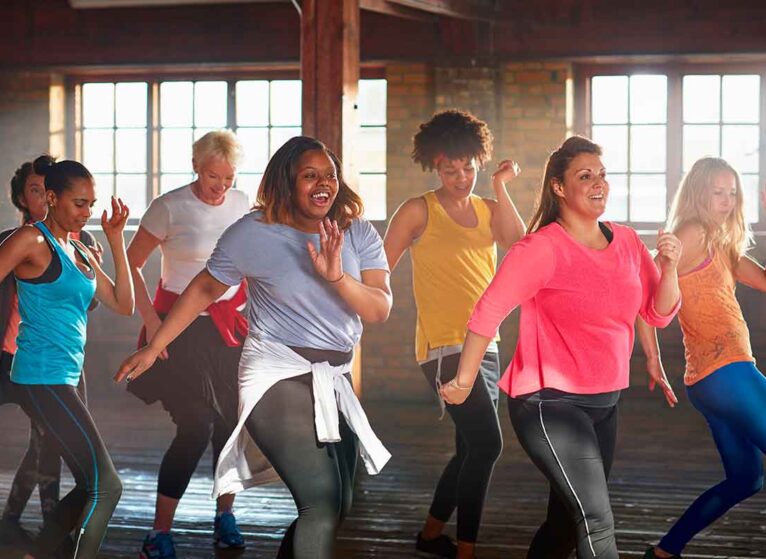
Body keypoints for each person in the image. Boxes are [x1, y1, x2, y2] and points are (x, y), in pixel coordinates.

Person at [115, 136, 392, 559]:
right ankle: (169, 528)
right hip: (275, 370)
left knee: (341, 503)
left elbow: (378, 309)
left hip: (332, 375)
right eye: (310, 175)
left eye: (330, 175)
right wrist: (154, 346)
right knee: (319, 501)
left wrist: (337, 277)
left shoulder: (357, 232)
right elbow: (206, 286)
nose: (323, 184)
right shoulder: (253, 232)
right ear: (286, 181)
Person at [441, 136, 681, 559]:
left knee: (565, 524)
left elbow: (657, 312)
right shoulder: (542, 248)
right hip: (547, 401)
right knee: (596, 520)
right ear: (558, 187)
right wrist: (463, 380)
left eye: (602, 175)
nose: (598, 184)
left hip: (604, 401)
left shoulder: (625, 242)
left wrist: (671, 267)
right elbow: (487, 312)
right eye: (585, 176)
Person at [383, 109, 525, 559]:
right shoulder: (417, 210)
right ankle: (466, 550)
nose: (460, 178)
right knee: (488, 445)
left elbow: (518, 244)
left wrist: (501, 187)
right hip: (443, 347)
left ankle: (429, 537)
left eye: (469, 168)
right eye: (449, 170)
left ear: (479, 162)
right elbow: (377, 273)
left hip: (487, 345)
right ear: (434, 166)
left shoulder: (488, 209)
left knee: (468, 450)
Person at [123, 130, 250, 559]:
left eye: (228, 178)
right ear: (196, 166)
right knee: (196, 425)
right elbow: (130, 263)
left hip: (226, 329)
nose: (221, 187)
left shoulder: (242, 204)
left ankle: (225, 517)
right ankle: (159, 532)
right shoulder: (169, 206)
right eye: (214, 176)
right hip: (178, 328)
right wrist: (151, 321)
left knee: (232, 423)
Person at [0, 158, 133, 559]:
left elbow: (124, 304)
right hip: (40, 376)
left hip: (66, 376)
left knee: (88, 482)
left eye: (90, 204)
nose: (87, 212)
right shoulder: (31, 240)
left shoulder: (79, 249)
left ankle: (41, 551)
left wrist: (115, 240)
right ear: (52, 199)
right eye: (78, 203)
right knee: (107, 485)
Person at [641, 158, 766, 559]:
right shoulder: (691, 233)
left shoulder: (720, 242)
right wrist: (653, 357)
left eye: (733, 192)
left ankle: (664, 551)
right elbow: (645, 292)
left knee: (746, 479)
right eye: (718, 191)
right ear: (699, 192)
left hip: (709, 380)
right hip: (727, 371)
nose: (727, 200)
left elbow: (763, 280)